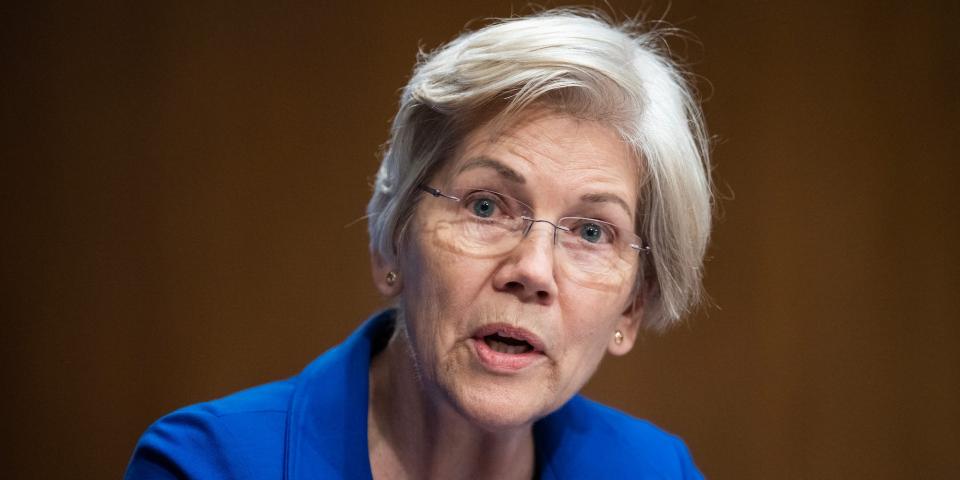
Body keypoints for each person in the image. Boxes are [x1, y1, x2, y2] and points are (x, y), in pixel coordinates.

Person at [125, 8, 712, 479]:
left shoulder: (657, 470)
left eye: (591, 232)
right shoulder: (207, 466)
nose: (532, 269)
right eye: (486, 206)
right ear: (391, 240)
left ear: (632, 308)